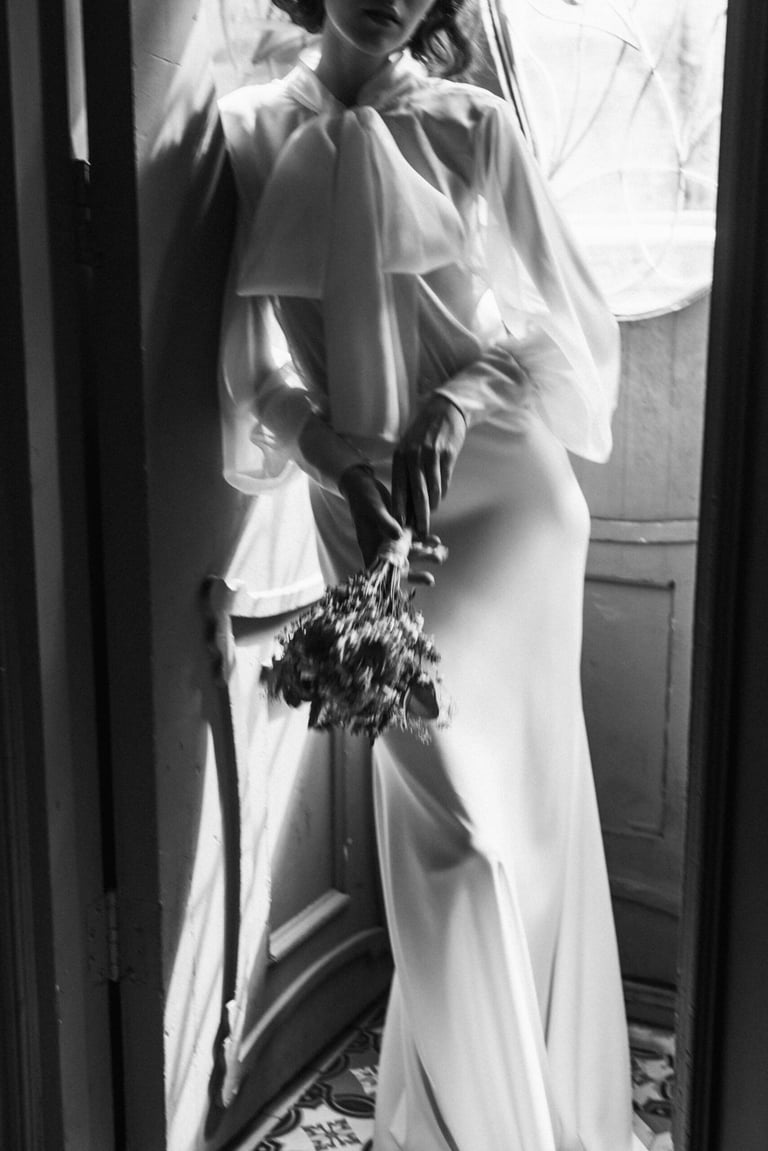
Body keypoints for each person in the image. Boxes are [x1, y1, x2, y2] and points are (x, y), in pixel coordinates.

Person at [217, 0, 641, 1145]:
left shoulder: (475, 125)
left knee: (529, 822)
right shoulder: (249, 133)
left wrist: (459, 395)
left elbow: (571, 330)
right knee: (453, 834)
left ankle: (537, 1106)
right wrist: (330, 456)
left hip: (508, 505)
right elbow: (251, 378)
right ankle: (485, 1116)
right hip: (364, 516)